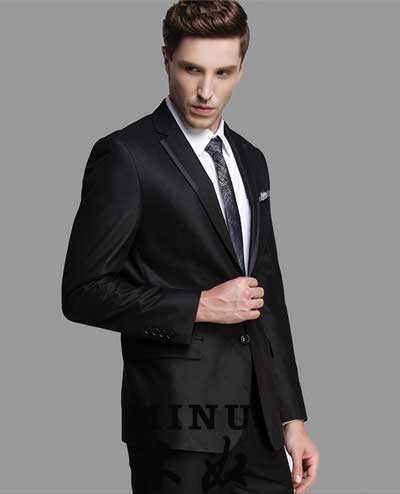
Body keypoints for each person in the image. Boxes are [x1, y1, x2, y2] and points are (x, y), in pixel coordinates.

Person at [61, 1, 320, 492]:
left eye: (223, 72)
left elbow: (268, 295)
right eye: (191, 69)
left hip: (260, 425)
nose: (206, 91)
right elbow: (82, 292)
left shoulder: (252, 159)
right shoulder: (126, 156)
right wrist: (199, 305)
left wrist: (292, 418)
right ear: (166, 59)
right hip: (175, 426)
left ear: (242, 67)